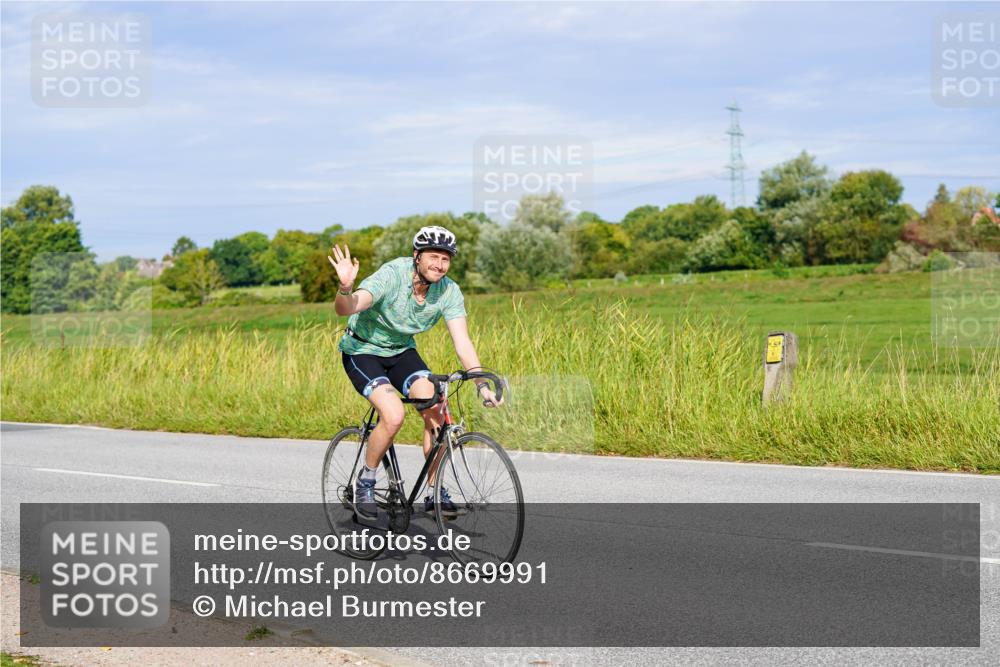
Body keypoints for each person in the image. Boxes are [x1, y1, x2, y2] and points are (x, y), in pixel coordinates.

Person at [328, 225, 502, 521]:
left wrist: (481, 382)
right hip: (363, 351)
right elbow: (349, 307)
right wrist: (345, 288)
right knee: (393, 415)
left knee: (435, 407)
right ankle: (366, 480)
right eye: (433, 256)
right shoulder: (392, 275)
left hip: (402, 351)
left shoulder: (448, 291)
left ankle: (434, 491)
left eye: (446, 259)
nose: (440, 264)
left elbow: (462, 342)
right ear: (416, 256)